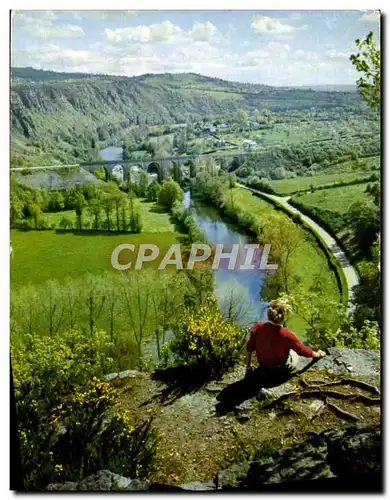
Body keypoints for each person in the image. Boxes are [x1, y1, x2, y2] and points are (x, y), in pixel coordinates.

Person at [246, 298, 326, 377]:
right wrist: (317, 354)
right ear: (284, 317)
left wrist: (248, 367)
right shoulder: (286, 334)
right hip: (279, 369)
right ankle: (284, 373)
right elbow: (301, 350)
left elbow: (249, 348)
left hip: (263, 365)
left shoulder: (258, 327)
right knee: (294, 351)